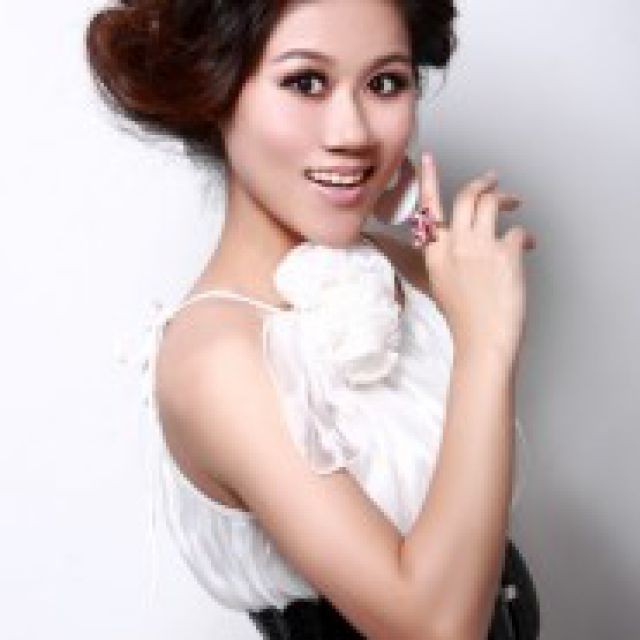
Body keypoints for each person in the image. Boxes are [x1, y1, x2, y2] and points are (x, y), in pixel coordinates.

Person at [86, 0, 540, 637]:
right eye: (305, 82)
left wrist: (433, 257)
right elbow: (436, 629)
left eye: (385, 83)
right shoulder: (217, 359)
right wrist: (485, 342)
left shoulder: (409, 269)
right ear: (215, 88)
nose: (353, 132)